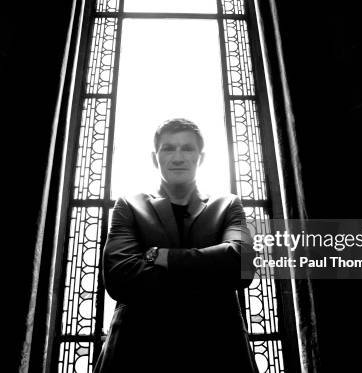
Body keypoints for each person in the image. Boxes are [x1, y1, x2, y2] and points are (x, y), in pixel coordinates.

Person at [93, 118, 259, 373]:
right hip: (136, 351)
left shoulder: (228, 204)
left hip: (218, 351)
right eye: (169, 148)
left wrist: (162, 257)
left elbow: (242, 263)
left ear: (200, 157)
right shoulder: (129, 204)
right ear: (154, 157)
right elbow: (119, 277)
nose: (178, 157)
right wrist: (210, 274)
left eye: (187, 148)